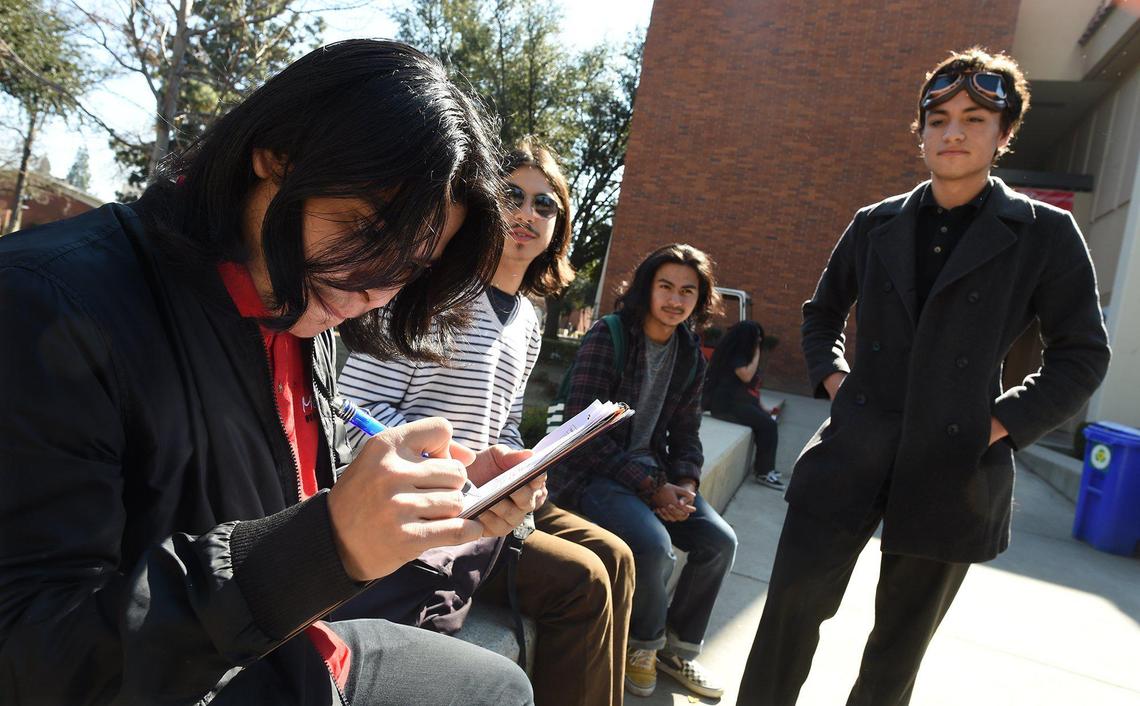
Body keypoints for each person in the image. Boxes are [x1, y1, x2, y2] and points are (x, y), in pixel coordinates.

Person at [0, 40, 547, 706]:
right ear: (276, 155)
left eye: (411, 265)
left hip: (282, 651)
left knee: (500, 686)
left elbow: (283, 463)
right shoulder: (45, 304)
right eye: (364, 231)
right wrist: (323, 547)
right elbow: (36, 658)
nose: (373, 289)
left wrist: (436, 488)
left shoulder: (294, 305)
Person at [738, 48, 1111, 705]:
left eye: (974, 118)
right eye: (937, 119)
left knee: (896, 656)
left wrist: (999, 423)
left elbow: (1082, 353)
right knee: (787, 617)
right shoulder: (875, 222)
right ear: (921, 131)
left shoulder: (1044, 234)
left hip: (956, 466)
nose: (954, 133)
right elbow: (822, 314)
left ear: (1005, 132)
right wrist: (834, 380)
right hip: (852, 448)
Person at [337, 137, 636, 706]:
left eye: (544, 204)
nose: (526, 214)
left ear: (559, 225)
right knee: (586, 581)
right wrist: (453, 463)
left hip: (488, 496)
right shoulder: (427, 293)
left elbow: (499, 428)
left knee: (620, 556)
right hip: (428, 512)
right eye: (512, 195)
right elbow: (352, 414)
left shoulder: (529, 316)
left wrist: (524, 464)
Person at [549, 243, 737, 700]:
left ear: (700, 299)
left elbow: (687, 431)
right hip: (591, 473)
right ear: (647, 289)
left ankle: (677, 650)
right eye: (666, 287)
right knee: (654, 548)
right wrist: (654, 489)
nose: (675, 300)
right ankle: (642, 645)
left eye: (687, 292)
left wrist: (687, 485)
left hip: (651, 474)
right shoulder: (609, 335)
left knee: (719, 542)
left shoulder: (689, 353)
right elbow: (581, 434)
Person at [702, 320, 783, 489]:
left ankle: (766, 469)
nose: (760, 341)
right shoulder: (738, 355)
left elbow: (750, 388)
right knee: (768, 425)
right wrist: (757, 353)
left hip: (736, 403)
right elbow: (745, 376)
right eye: (757, 338)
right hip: (726, 406)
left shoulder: (740, 354)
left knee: (768, 422)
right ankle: (763, 472)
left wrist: (763, 409)